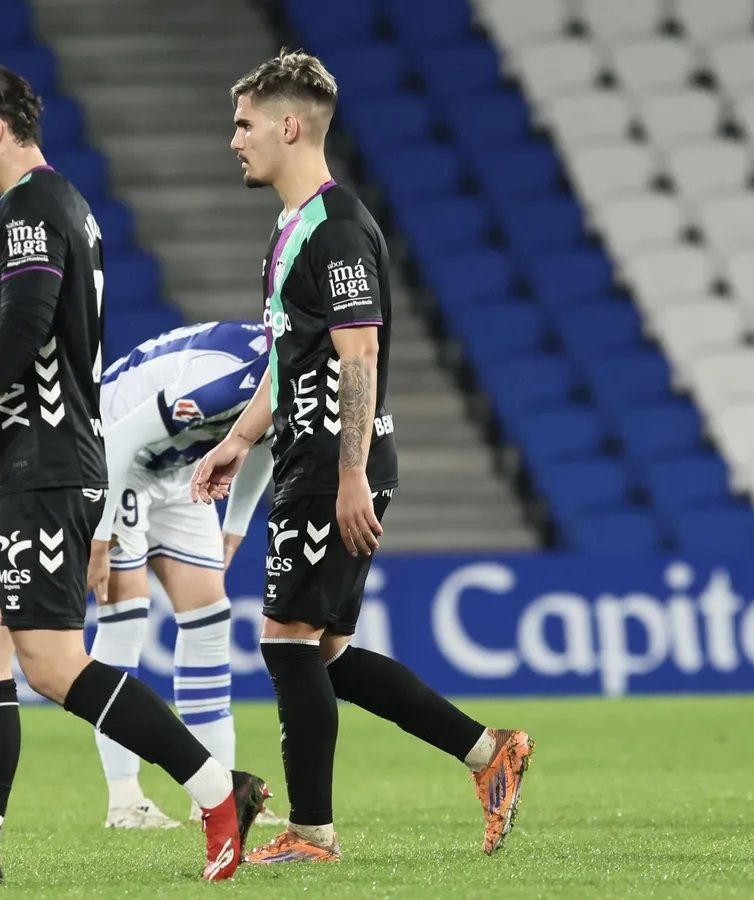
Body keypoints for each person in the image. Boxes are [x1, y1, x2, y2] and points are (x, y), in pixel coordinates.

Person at [0, 65, 267, 888]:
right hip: (10, 467)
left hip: (43, 464)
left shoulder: (32, 209)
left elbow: (22, 328)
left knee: (52, 664)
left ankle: (216, 793)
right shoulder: (48, 210)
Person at [190, 50, 533, 864]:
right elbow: (291, 355)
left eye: (243, 124)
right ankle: (492, 754)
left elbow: (359, 357)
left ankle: (311, 833)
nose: (233, 140)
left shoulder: (338, 229)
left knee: (284, 641)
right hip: (310, 456)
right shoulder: (292, 224)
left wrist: (348, 476)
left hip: (333, 463)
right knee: (328, 655)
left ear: (288, 124)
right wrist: (240, 438)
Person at [85, 321, 276, 828]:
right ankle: (124, 800)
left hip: (179, 468)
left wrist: (234, 528)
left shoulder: (293, 370)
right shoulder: (224, 378)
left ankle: (213, 793)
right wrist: (99, 536)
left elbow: (262, 441)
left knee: (211, 618)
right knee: (126, 616)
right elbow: (121, 437)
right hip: (113, 457)